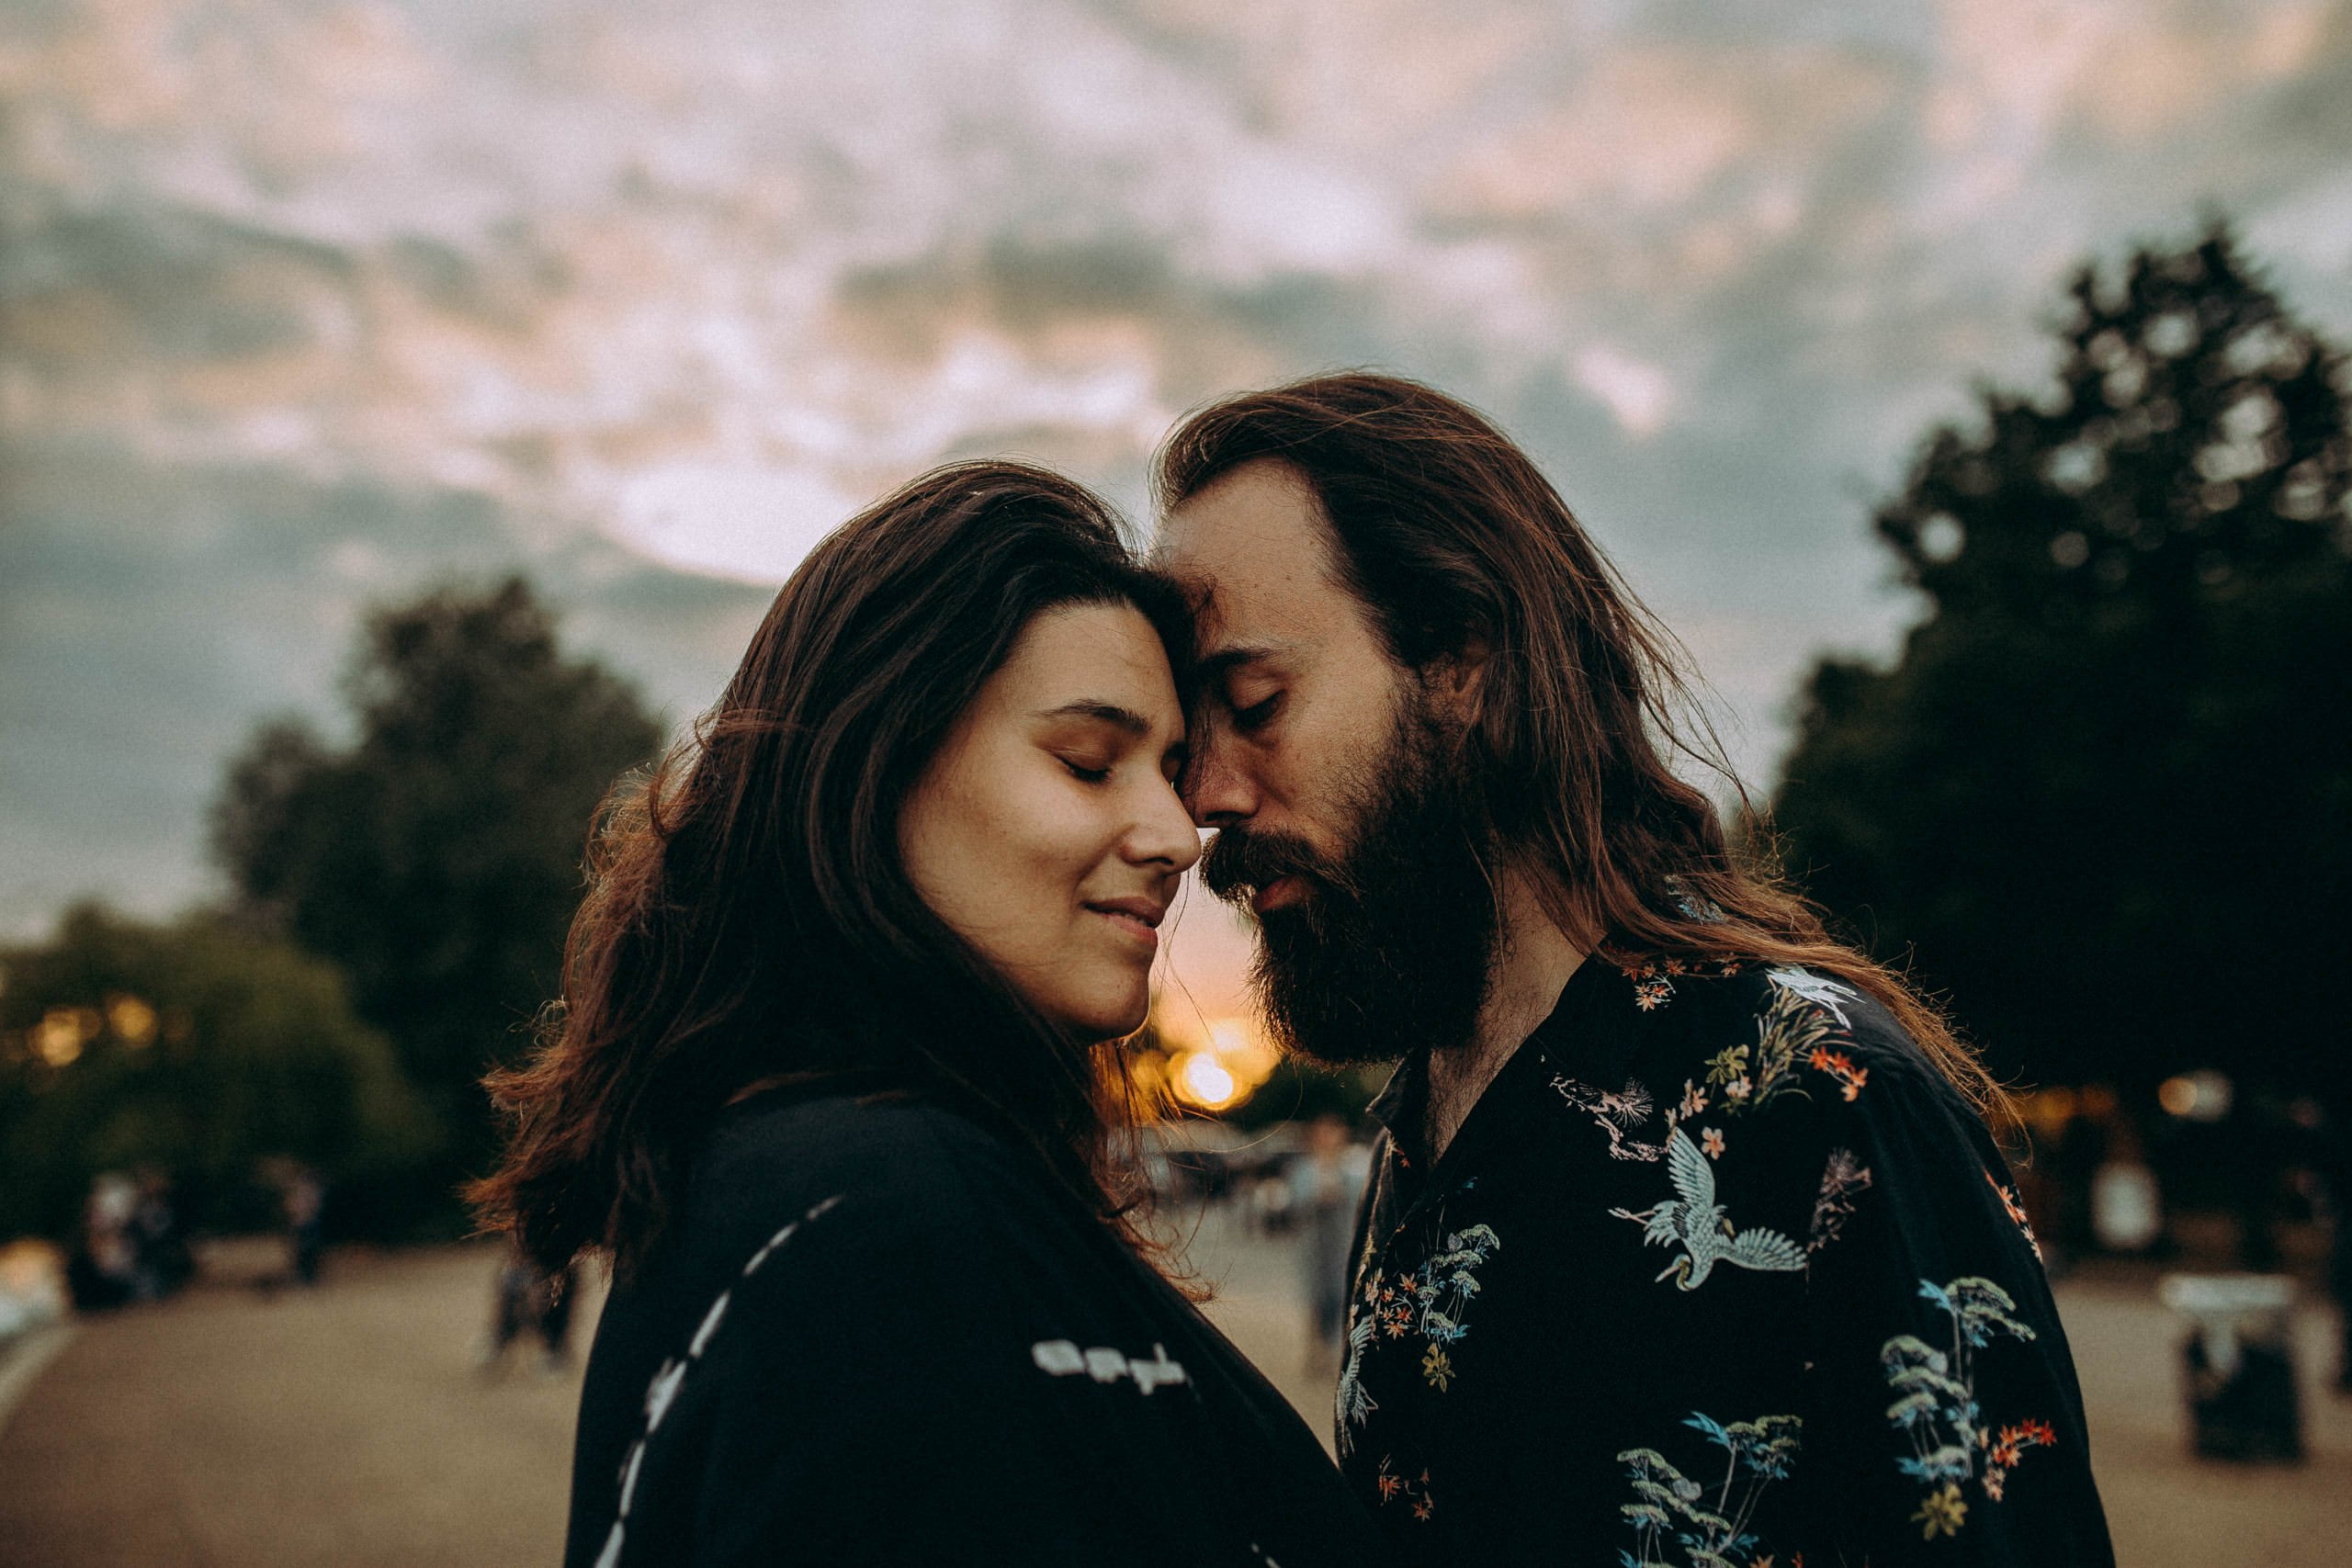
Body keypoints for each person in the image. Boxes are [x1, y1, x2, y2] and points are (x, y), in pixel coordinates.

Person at [1155, 374, 2114, 1565]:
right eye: (1185, 740)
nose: (1202, 797)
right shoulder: (1424, 1122)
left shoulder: (1819, 1096)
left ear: (1466, 666)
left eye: (1255, 702)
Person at [471, 462, 1383, 1567]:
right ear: (876, 767)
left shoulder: (788, 1169)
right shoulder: (892, 1217)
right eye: (1088, 763)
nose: (1174, 832)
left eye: (1171, 769)